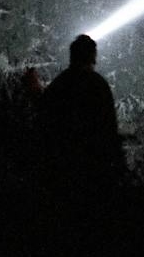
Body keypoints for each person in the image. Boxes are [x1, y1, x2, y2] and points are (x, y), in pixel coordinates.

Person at [39, 34, 124, 193]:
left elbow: (45, 116)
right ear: (93, 57)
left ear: (72, 56)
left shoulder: (60, 84)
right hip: (93, 165)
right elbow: (109, 127)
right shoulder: (99, 85)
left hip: (62, 165)